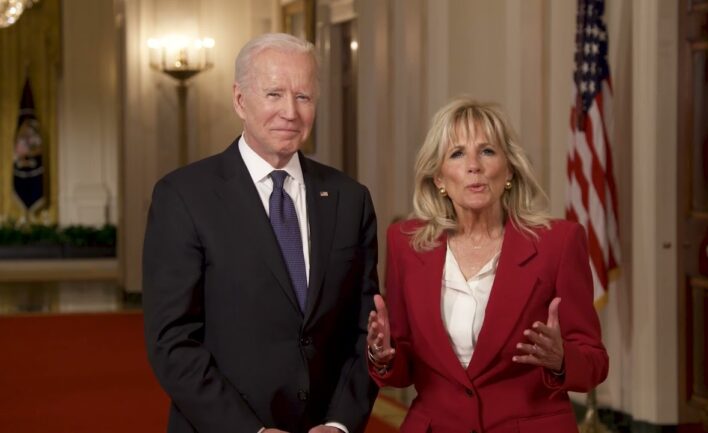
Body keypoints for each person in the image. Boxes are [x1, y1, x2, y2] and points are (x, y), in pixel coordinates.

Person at [143, 33, 379, 433]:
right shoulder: (183, 197)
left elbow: (363, 332)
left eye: (303, 97)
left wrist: (339, 424)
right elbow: (172, 341)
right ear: (240, 100)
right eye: (274, 94)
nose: (290, 111)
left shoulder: (349, 198)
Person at [366, 98, 609, 432]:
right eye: (457, 154)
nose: (474, 166)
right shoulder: (406, 244)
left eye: (487, 151)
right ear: (439, 178)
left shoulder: (558, 243)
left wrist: (562, 358)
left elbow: (595, 361)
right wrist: (383, 355)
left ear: (508, 169)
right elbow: (404, 365)